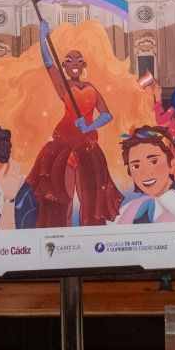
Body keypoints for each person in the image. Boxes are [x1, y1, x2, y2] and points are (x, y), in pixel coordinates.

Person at [24, 21, 125, 227]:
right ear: (65, 66)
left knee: (90, 199)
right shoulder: (63, 87)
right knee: (64, 199)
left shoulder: (91, 88)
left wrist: (89, 126)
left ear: (84, 65)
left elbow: (107, 115)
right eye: (69, 61)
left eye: (79, 60)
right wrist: (43, 38)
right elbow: (48, 63)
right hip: (64, 146)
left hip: (87, 145)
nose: (74, 64)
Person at [114, 126, 175, 224]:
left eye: (154, 161)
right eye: (136, 166)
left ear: (172, 165)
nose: (145, 172)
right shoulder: (132, 206)